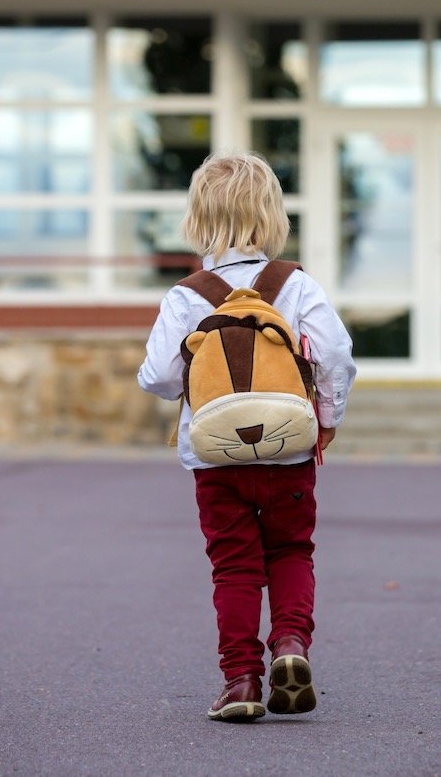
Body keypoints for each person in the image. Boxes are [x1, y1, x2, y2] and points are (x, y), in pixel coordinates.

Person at [138, 152, 356, 722]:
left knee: (233, 566)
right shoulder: (296, 284)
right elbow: (335, 355)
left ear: (198, 220)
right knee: (290, 549)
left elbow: (160, 377)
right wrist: (326, 417)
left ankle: (240, 682)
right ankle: (289, 645)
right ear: (272, 216)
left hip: (216, 457)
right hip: (289, 449)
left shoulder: (187, 295)